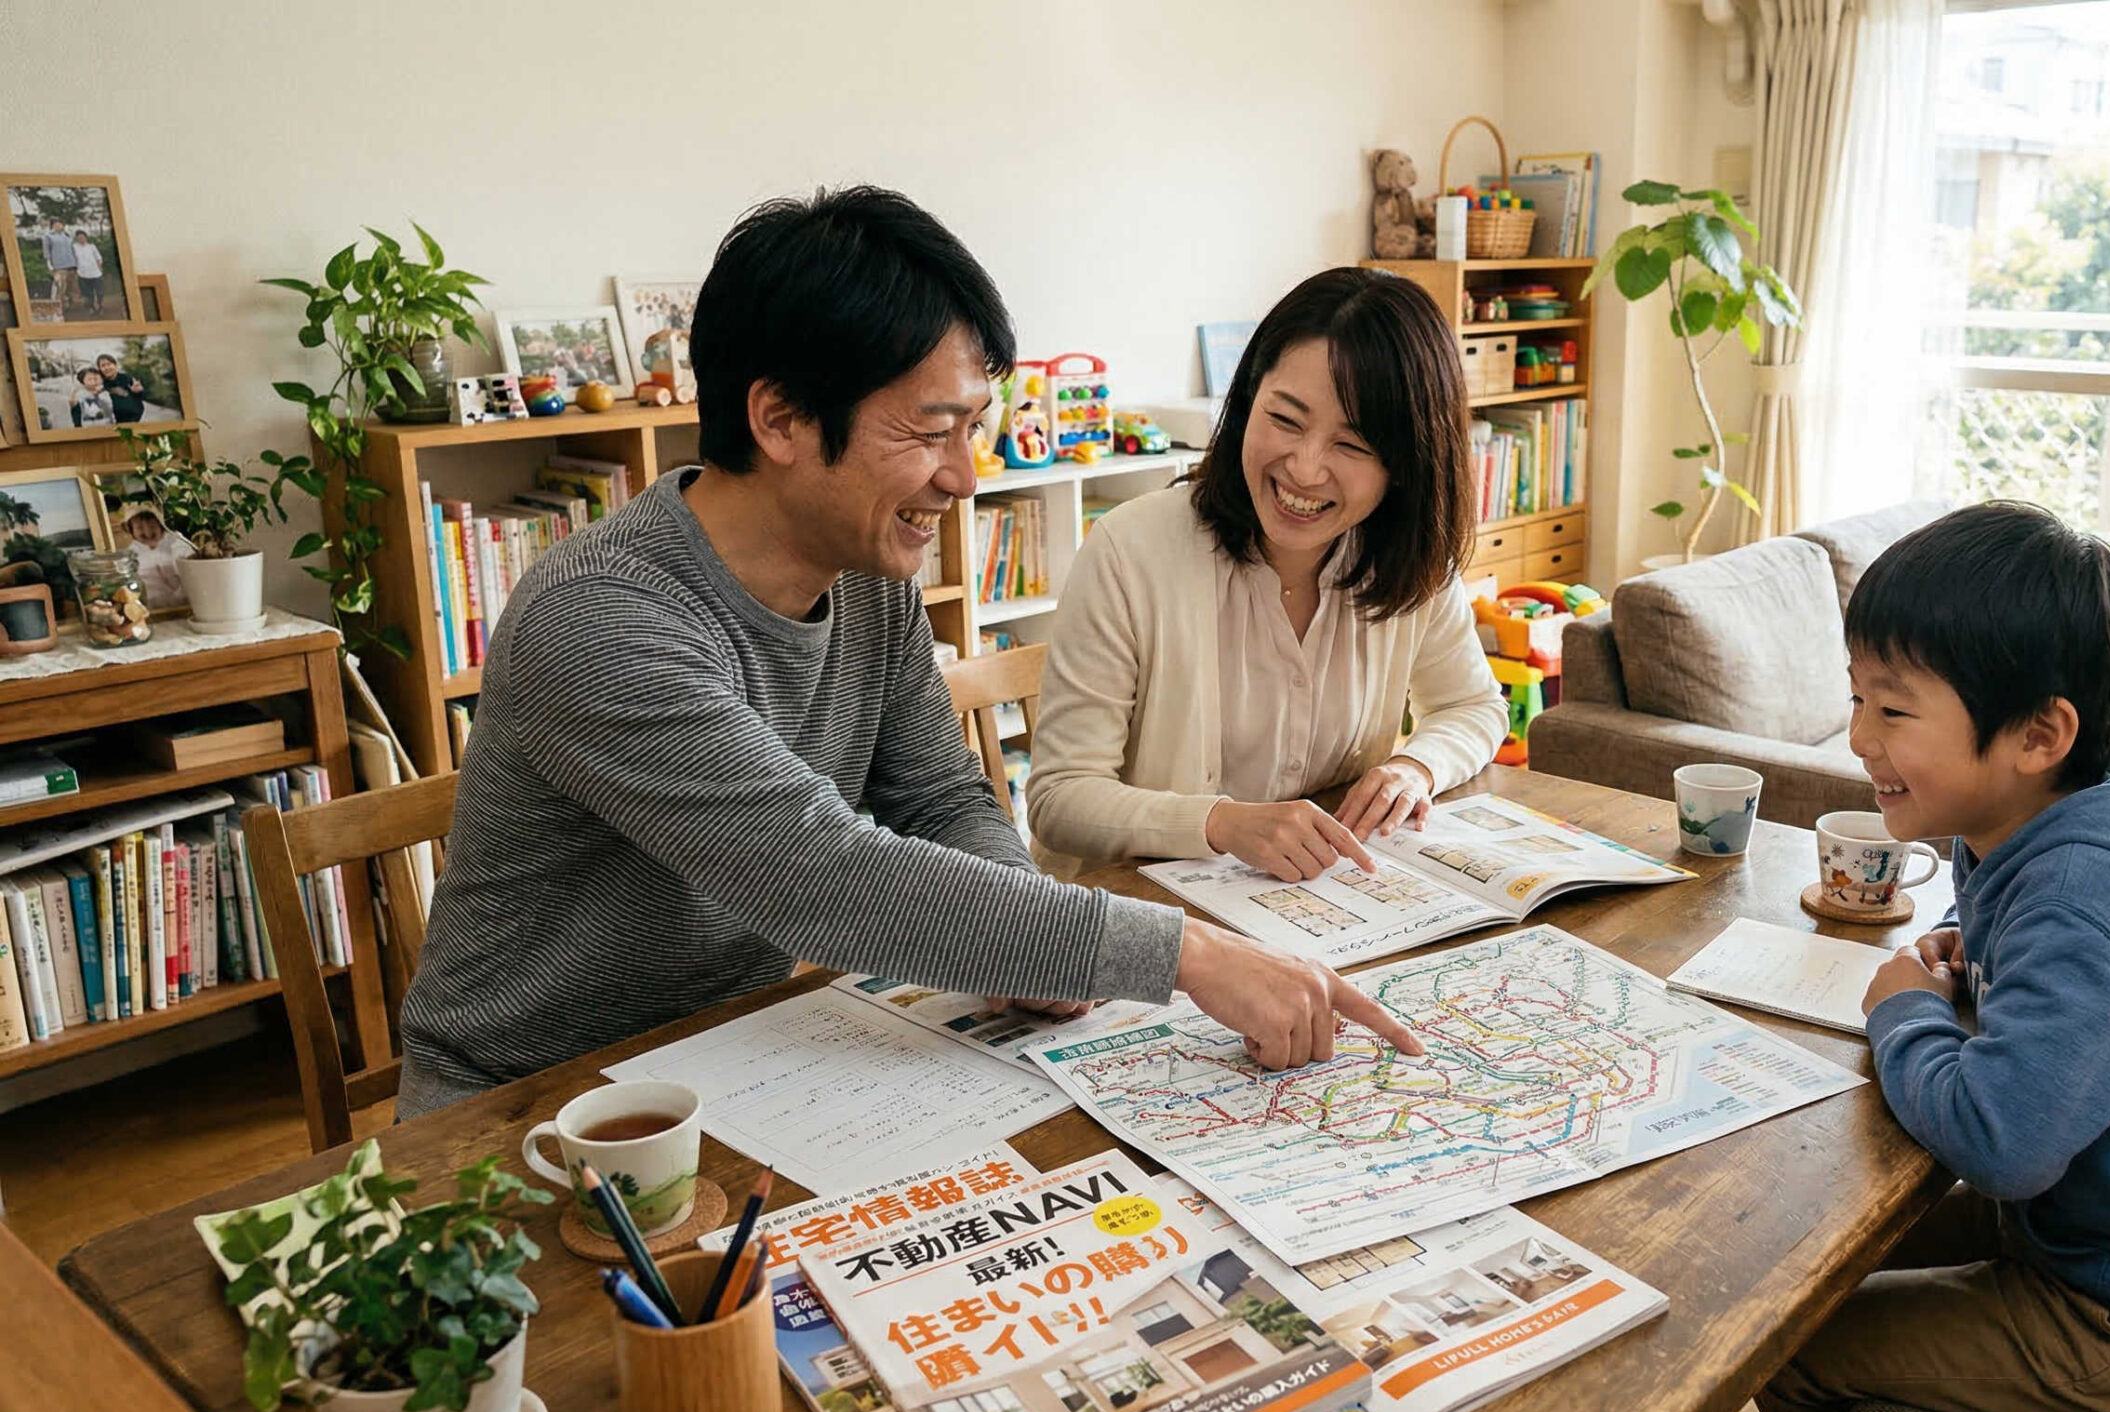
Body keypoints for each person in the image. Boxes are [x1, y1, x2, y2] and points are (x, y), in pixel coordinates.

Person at [395, 187, 1420, 1118]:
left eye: (974, 427)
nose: (963, 478)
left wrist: (1031, 942)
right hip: (522, 1107)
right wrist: (1182, 953)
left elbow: (937, 798)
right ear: (781, 417)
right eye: (931, 432)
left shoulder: (868, 576)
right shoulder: (599, 618)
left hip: (737, 1061)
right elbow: (818, 872)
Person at [1755, 503, 2110, 1412]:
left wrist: (1906, 1012)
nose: (1860, 735)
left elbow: (2003, 1144)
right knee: (1803, 1253)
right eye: (1856, 696)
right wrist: (1972, 957)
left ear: (2037, 737)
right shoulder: (2052, 826)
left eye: (1893, 708)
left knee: (1788, 1342)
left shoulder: (2081, 902)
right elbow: (2061, 991)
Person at [1028, 268, 1505, 881]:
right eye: (1285, 419)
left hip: (1309, 909)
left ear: (1406, 463)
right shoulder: (1131, 550)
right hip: (1137, 920)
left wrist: (1416, 768)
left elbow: (1473, 707)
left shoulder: (1409, 560)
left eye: (1353, 446)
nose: (1305, 470)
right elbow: (1060, 798)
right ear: (1248, 400)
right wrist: (1221, 823)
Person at [122, 508, 194, 608]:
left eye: (152, 526)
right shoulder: (132, 551)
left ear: (161, 526)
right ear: (131, 531)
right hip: (151, 604)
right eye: (140, 528)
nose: (147, 532)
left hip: (182, 601)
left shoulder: (174, 540)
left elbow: (187, 562)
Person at [96, 353, 148, 424]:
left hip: (134, 420)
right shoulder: (101, 384)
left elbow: (143, 397)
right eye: (103, 366)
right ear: (100, 369)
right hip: (113, 422)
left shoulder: (126, 378)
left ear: (115, 365)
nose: (106, 367)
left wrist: (139, 391)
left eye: (109, 364)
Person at [39, 218, 77, 314]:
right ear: (52, 226)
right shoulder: (48, 237)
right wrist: (50, 267)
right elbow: (46, 253)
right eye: (56, 224)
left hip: (71, 265)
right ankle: (57, 308)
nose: (58, 226)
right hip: (58, 266)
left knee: (70, 287)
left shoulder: (68, 236)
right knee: (60, 288)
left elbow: (73, 250)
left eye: (60, 224)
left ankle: (67, 305)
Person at [71, 230, 105, 317]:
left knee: (100, 292)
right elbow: (73, 259)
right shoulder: (74, 247)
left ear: (86, 237)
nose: (81, 239)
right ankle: (92, 308)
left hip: (96, 273)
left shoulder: (92, 246)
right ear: (76, 239)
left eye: (82, 237)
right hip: (82, 274)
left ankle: (100, 306)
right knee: (88, 293)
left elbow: (98, 257)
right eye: (79, 238)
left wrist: (100, 267)